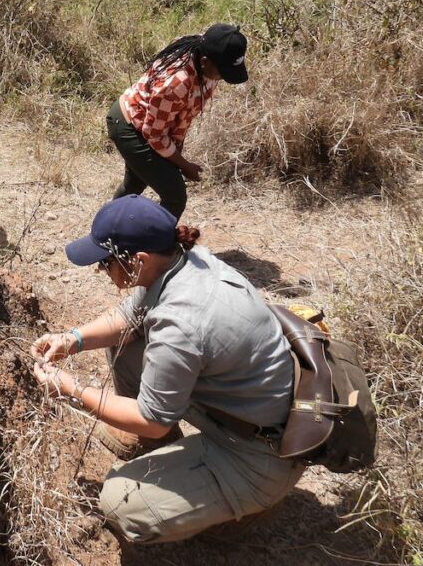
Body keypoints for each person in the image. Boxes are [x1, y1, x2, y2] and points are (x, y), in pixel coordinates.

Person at [29, 195, 302, 544]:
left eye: (105, 263)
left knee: (119, 503)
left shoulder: (182, 322)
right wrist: (72, 340)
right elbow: (127, 318)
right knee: (127, 341)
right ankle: (178, 459)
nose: (102, 271)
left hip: (258, 452)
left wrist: (71, 389)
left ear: (137, 260)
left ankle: (245, 508)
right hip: (239, 408)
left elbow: (152, 420)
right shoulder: (182, 261)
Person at [108, 23, 248, 218]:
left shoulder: (205, 48)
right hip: (130, 126)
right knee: (175, 196)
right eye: (222, 72)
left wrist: (176, 154)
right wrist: (184, 165)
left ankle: (109, 232)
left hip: (147, 124)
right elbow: (154, 133)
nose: (223, 78)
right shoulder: (177, 83)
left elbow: (169, 122)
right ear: (205, 61)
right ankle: (152, 245)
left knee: (135, 184)